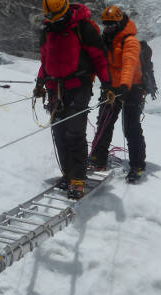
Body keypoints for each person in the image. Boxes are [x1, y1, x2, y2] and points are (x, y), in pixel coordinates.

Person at [33, 0, 115, 199]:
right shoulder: (48, 30)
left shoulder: (83, 28)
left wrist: (107, 86)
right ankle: (68, 174)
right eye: (49, 17)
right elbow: (46, 61)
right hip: (55, 88)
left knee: (74, 132)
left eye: (56, 17)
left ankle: (78, 179)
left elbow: (99, 58)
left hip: (79, 86)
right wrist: (40, 84)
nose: (53, 20)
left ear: (65, 10)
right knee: (59, 132)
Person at [91, 5, 147, 184]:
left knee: (130, 127)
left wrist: (124, 85)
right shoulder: (105, 39)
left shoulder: (130, 41)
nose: (108, 27)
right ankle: (98, 159)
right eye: (105, 24)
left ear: (119, 23)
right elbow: (98, 62)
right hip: (112, 88)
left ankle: (137, 165)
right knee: (104, 122)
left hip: (132, 88)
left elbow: (129, 64)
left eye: (111, 24)